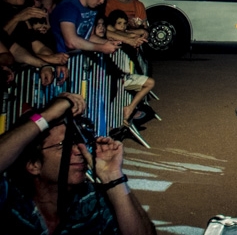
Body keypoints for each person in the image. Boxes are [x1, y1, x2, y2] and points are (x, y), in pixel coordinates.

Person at [0, 93, 156, 233]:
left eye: (79, 141)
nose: (79, 150)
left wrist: (114, 178)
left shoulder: (92, 200)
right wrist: (45, 116)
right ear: (33, 165)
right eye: (64, 145)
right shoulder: (11, 201)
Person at [50, 0, 119, 56]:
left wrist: (107, 43)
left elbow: (88, 37)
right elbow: (71, 42)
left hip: (78, 57)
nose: (102, 1)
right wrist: (102, 48)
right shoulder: (68, 7)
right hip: (62, 57)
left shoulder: (93, 7)